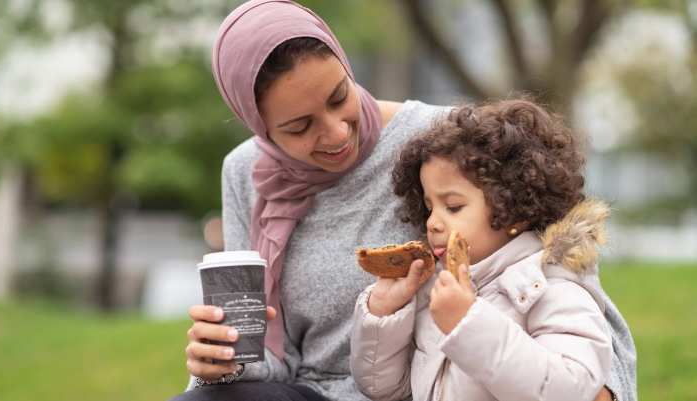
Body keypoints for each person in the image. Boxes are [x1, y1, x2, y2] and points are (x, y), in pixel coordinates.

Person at [170, 1, 636, 401]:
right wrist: (223, 361)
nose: (334, 133)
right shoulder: (245, 172)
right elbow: (266, 358)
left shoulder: (441, 143)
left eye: (339, 97)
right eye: (299, 126)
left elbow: (569, 279)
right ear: (259, 126)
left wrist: (601, 390)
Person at [350, 99, 617, 401]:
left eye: (453, 207)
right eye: (428, 207)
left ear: (515, 209)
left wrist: (469, 324)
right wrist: (385, 314)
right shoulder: (436, 289)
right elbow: (386, 389)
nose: (433, 223)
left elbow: (570, 389)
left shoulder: (552, 289)